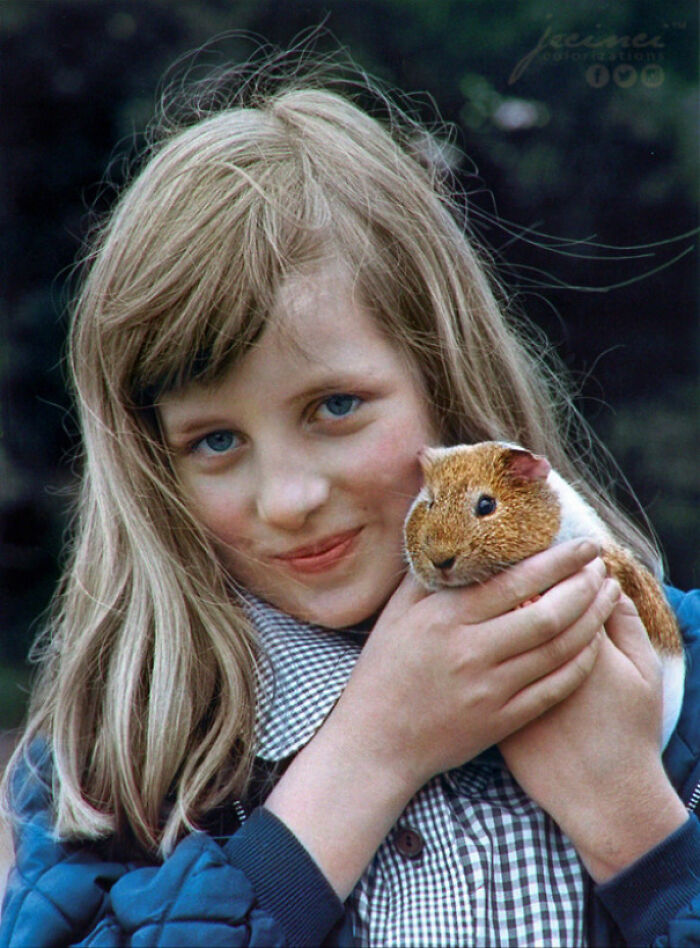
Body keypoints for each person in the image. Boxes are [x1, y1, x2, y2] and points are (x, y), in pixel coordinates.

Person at [1, 48, 698, 947]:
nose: (288, 499)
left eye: (335, 407)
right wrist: (368, 756)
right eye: (216, 441)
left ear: (443, 378)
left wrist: (634, 824)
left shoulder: (675, 671)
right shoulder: (120, 753)